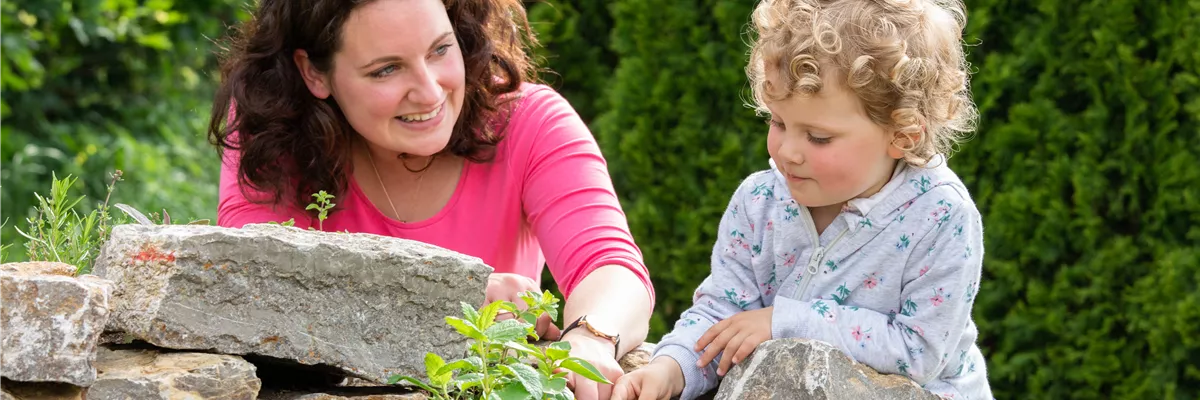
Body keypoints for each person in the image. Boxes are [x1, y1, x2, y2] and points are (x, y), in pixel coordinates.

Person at [206, 0, 654, 398]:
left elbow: (611, 265)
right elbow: (256, 291)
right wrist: (448, 295)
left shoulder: (530, 121)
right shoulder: (270, 133)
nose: (430, 92)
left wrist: (590, 336)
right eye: (386, 69)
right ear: (313, 72)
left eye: (440, 50)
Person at [611, 0, 991, 398]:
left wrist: (785, 322)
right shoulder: (760, 202)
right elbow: (723, 311)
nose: (787, 151)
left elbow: (919, 351)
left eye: (818, 137)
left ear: (902, 135)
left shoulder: (941, 216)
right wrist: (671, 369)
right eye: (777, 121)